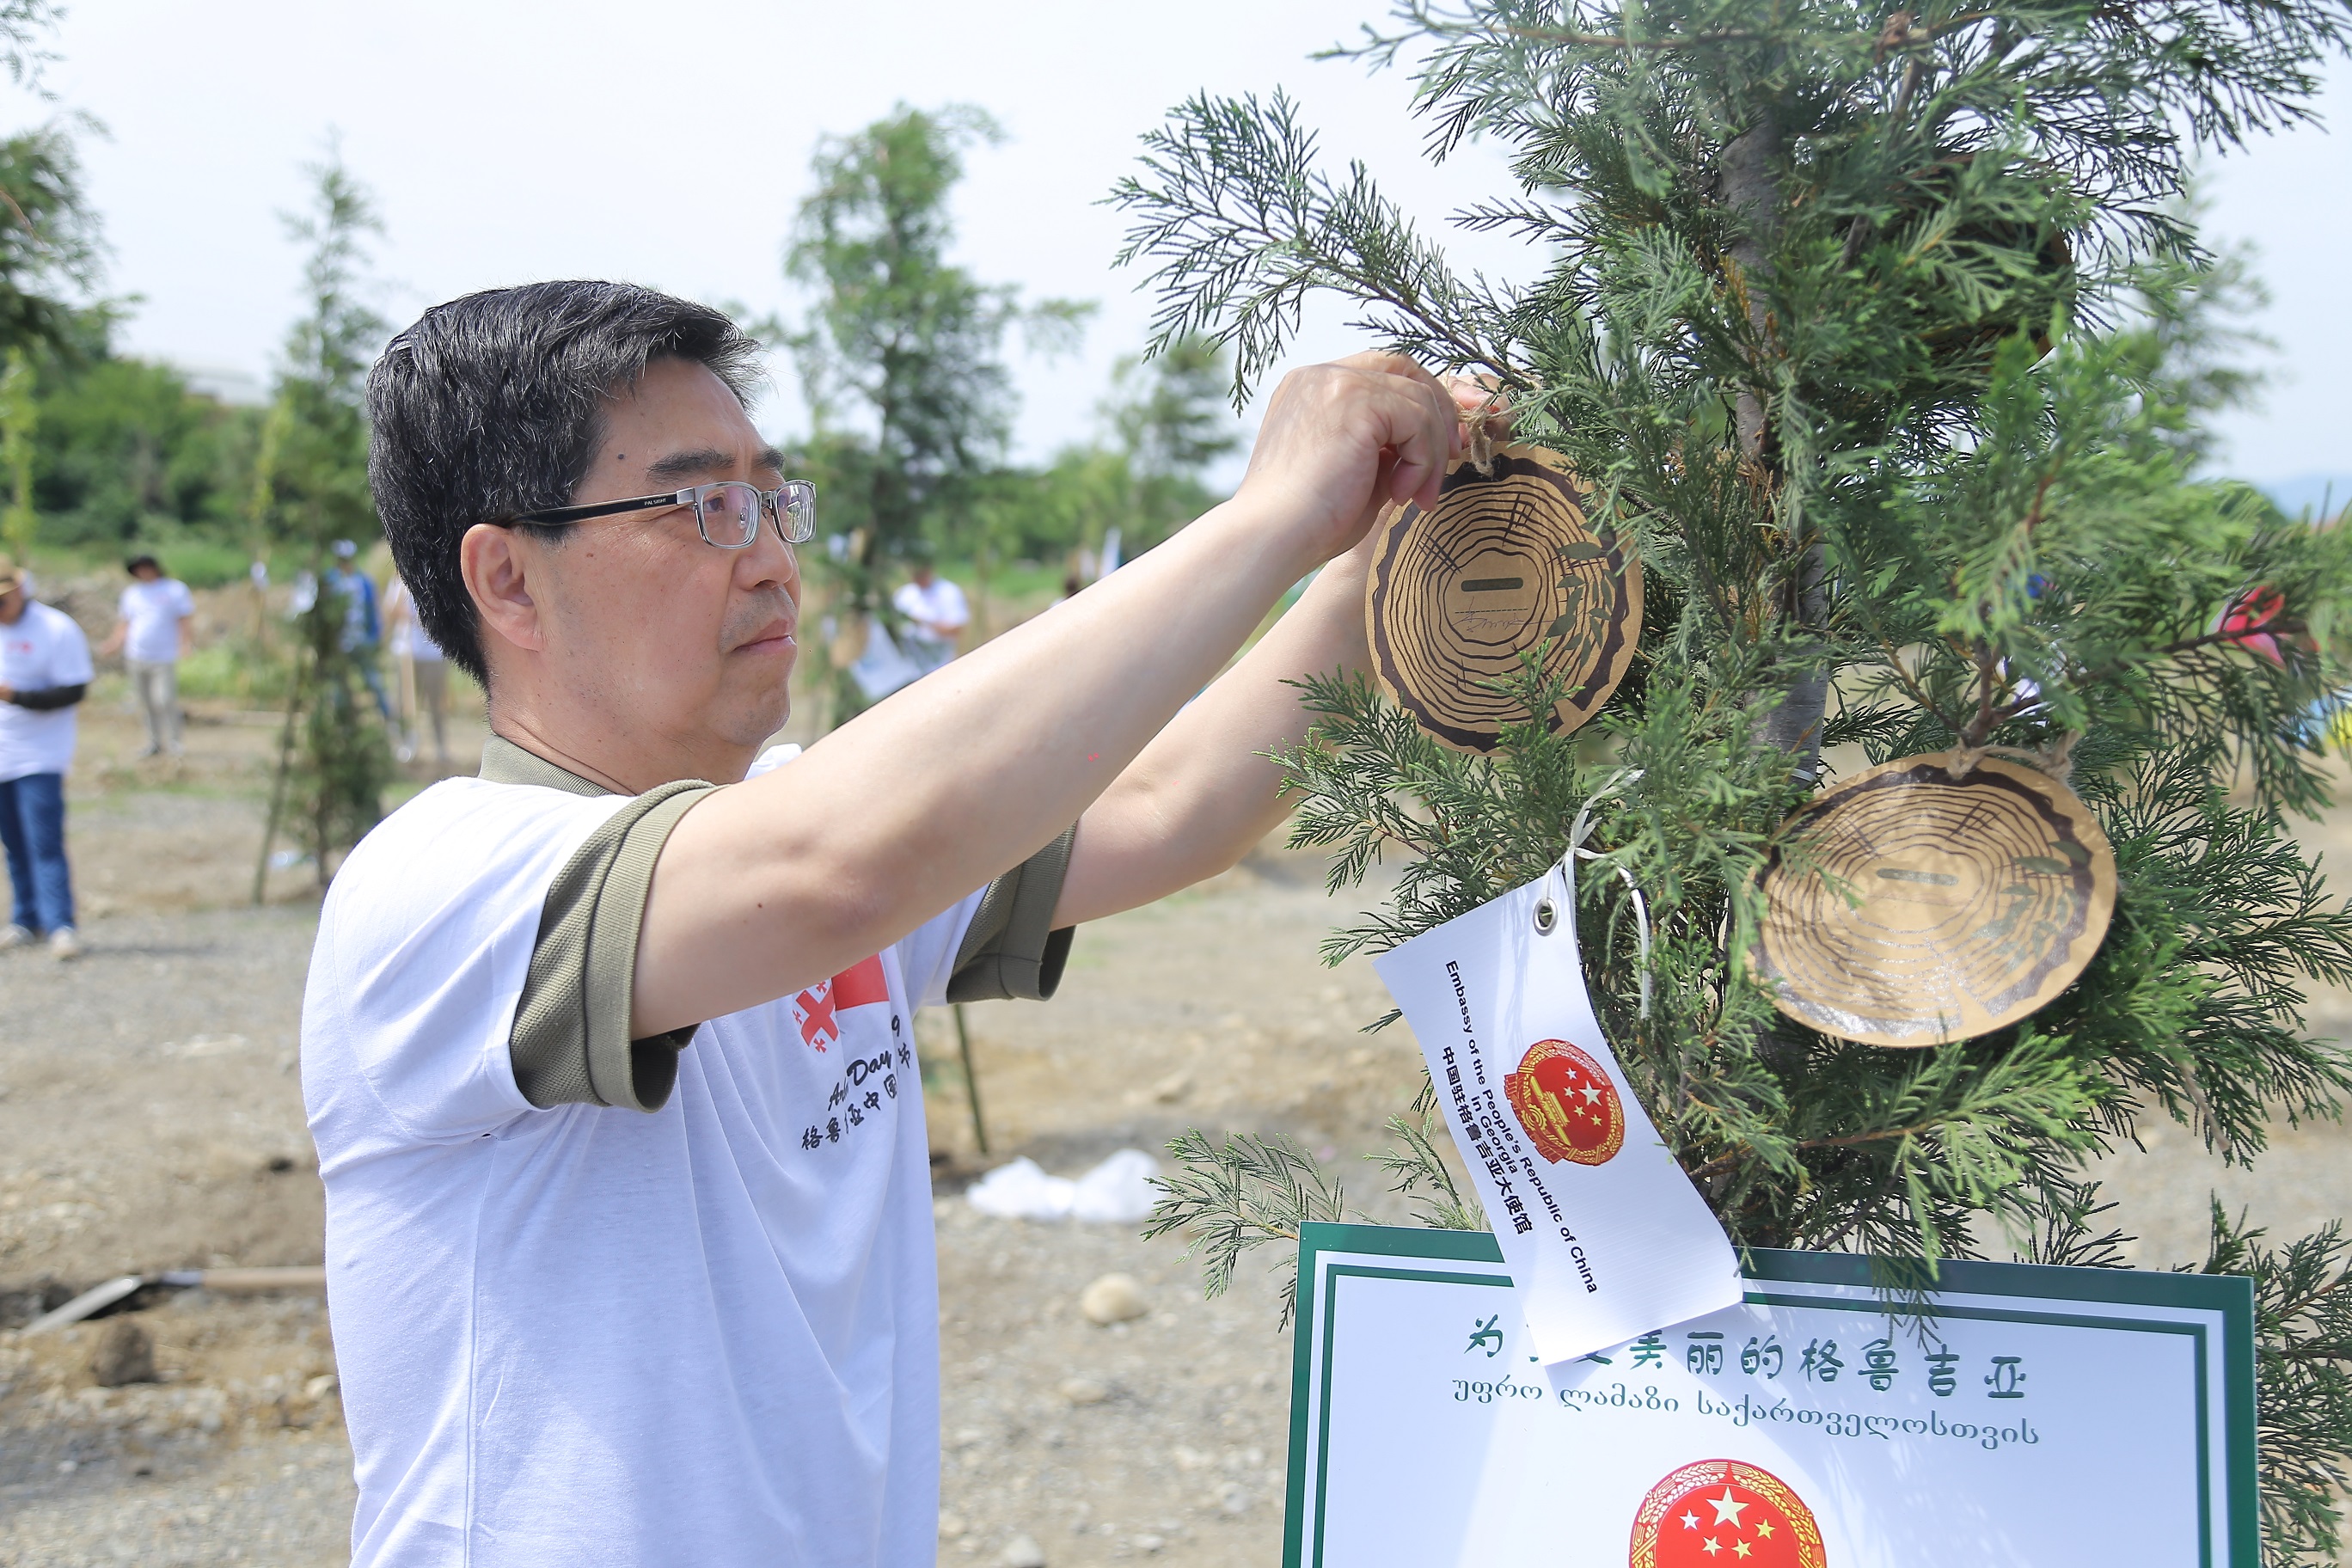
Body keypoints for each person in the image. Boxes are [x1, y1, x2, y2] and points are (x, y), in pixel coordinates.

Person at [308, 280, 1471, 1566]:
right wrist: (1273, 513)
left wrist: (1386, 551)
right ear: (508, 580)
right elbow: (841, 863)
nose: (771, 558)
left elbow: (1168, 803)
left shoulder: (790, 831)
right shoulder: (446, 888)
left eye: (772, 501)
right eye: (701, 508)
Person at [0, 554, 90, 959]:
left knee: (44, 842)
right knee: (13, 843)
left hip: (39, 754)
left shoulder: (55, 629)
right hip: (2, 752)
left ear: (19, 591)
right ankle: (26, 918)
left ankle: (60, 924)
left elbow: (74, 689)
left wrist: (17, 696)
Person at [99, 554, 195, 757]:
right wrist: (114, 643)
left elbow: (184, 618)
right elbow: (125, 623)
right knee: (145, 702)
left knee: (164, 699)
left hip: (164, 655)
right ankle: (154, 742)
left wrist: (185, 643)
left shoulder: (174, 589)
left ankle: (175, 742)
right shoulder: (132, 593)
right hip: (136, 654)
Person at [381, 573, 449, 766]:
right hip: (407, 652)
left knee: (436, 703)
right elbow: (389, 612)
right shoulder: (399, 583)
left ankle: (440, 748)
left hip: (433, 653)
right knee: (404, 702)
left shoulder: (436, 580)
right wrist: (400, 608)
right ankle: (405, 745)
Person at [324, 539, 394, 721]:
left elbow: (373, 611)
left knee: (374, 682)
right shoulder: (330, 582)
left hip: (361, 641)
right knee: (339, 688)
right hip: (339, 643)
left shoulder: (363, 582)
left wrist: (374, 637)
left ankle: (390, 720)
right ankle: (344, 723)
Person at [891, 551, 969, 675]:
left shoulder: (948, 592)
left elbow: (956, 630)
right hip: (909, 669)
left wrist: (924, 622)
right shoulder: (903, 595)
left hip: (941, 665)